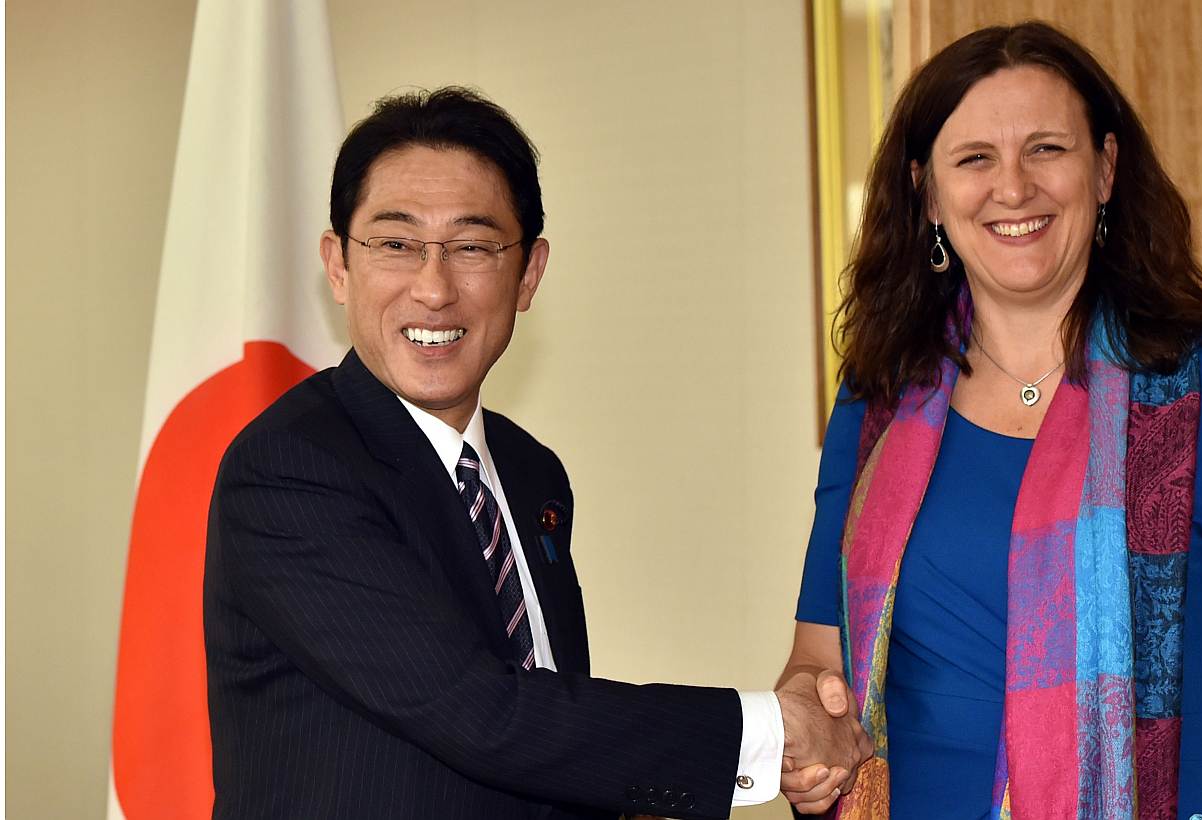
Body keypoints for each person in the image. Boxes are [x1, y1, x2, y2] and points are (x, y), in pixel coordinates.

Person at [204, 87, 870, 819]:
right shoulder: (291, 469)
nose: (433, 288)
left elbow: (549, 734)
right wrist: (774, 735)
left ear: (528, 274)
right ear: (338, 265)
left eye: (473, 247)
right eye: (395, 244)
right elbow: (479, 713)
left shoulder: (529, 473)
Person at [780, 21, 1202, 820]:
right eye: (975, 159)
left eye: (1047, 149)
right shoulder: (876, 396)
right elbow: (818, 656)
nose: (1013, 189)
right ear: (928, 194)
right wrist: (805, 723)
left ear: (1107, 169)